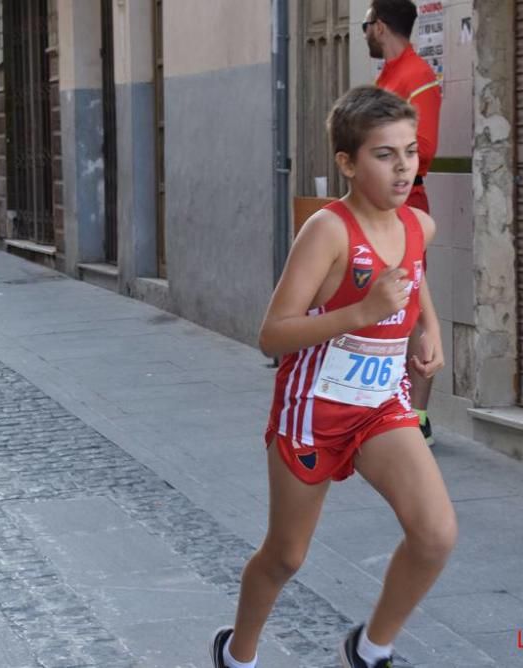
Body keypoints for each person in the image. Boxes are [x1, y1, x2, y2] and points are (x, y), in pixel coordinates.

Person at [210, 86, 454, 668]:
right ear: (347, 162)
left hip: (381, 406)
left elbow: (411, 276)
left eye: (410, 152)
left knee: (435, 534)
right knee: (287, 556)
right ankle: (237, 654)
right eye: (383, 155)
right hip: (313, 410)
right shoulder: (328, 231)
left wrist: (430, 327)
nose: (402, 168)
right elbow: (272, 334)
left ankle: (370, 649)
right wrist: (363, 314)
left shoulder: (420, 224)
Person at [364, 0, 442, 447]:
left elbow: (425, 150)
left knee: (412, 308)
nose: (366, 34)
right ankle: (387, 405)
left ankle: (419, 417)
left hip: (404, 208)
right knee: (386, 305)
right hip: (379, 209)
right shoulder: (388, 79)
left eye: (366, 26)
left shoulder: (417, 79)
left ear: (378, 26)